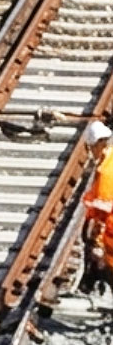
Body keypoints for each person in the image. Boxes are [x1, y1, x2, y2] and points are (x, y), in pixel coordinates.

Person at [80, 117, 113, 295]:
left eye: (91, 147)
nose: (91, 151)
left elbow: (103, 210)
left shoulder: (107, 171)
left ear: (99, 144)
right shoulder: (109, 162)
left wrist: (98, 244)